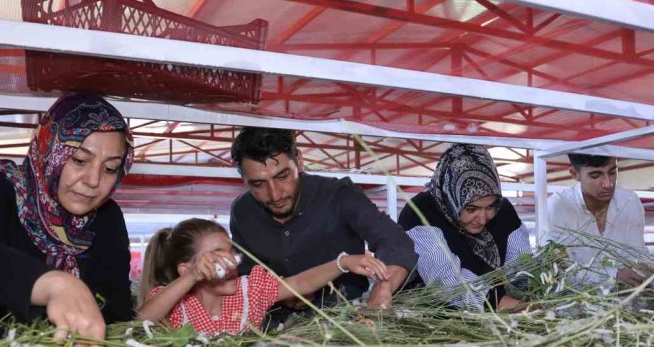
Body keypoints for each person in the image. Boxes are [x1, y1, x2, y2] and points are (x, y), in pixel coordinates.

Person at [0, 93, 135, 342]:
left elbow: (115, 306)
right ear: (49, 147)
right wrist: (55, 285)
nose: (93, 180)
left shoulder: (106, 219)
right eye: (79, 160)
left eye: (110, 168)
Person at [227, 127, 418, 325]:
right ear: (243, 179)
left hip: (348, 318)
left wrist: (382, 288)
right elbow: (246, 276)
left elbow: (395, 241)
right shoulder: (243, 212)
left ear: (299, 161)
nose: (275, 195)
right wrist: (281, 292)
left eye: (282, 176)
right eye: (258, 184)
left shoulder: (338, 195)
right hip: (275, 325)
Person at [135, 219, 389, 334]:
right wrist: (191, 278)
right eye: (216, 255)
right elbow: (142, 319)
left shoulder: (250, 290)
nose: (231, 260)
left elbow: (299, 283)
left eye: (231, 251)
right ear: (185, 269)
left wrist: (342, 262)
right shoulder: (177, 305)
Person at [397, 144, 533, 311]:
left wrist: (534, 286)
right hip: (433, 318)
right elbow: (447, 282)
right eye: (471, 209)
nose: (482, 219)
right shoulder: (421, 212)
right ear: (451, 198)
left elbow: (520, 265)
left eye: (490, 208)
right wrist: (502, 304)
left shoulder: (503, 210)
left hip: (499, 314)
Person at [545, 153, 651, 286]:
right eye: (595, 175)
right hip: (575, 304)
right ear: (574, 174)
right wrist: (613, 275)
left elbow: (638, 253)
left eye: (612, 172)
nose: (608, 184)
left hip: (626, 301)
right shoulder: (558, 207)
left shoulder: (629, 201)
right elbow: (556, 268)